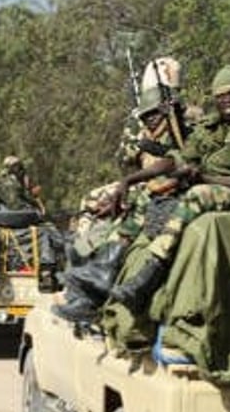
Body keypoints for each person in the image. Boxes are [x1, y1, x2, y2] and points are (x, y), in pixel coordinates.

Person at [106, 65, 230, 314]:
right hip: (218, 191)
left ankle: (149, 274)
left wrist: (205, 179)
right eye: (221, 95)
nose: (227, 101)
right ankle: (103, 269)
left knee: (197, 195)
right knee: (149, 197)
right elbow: (177, 158)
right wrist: (130, 181)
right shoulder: (213, 125)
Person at [54, 57, 191, 322]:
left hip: (170, 188)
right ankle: (80, 268)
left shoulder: (185, 119)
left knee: (127, 221)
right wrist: (139, 137)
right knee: (99, 216)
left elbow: (181, 157)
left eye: (154, 114)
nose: (150, 119)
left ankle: (93, 282)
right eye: (147, 115)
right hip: (147, 187)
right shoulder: (143, 128)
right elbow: (125, 158)